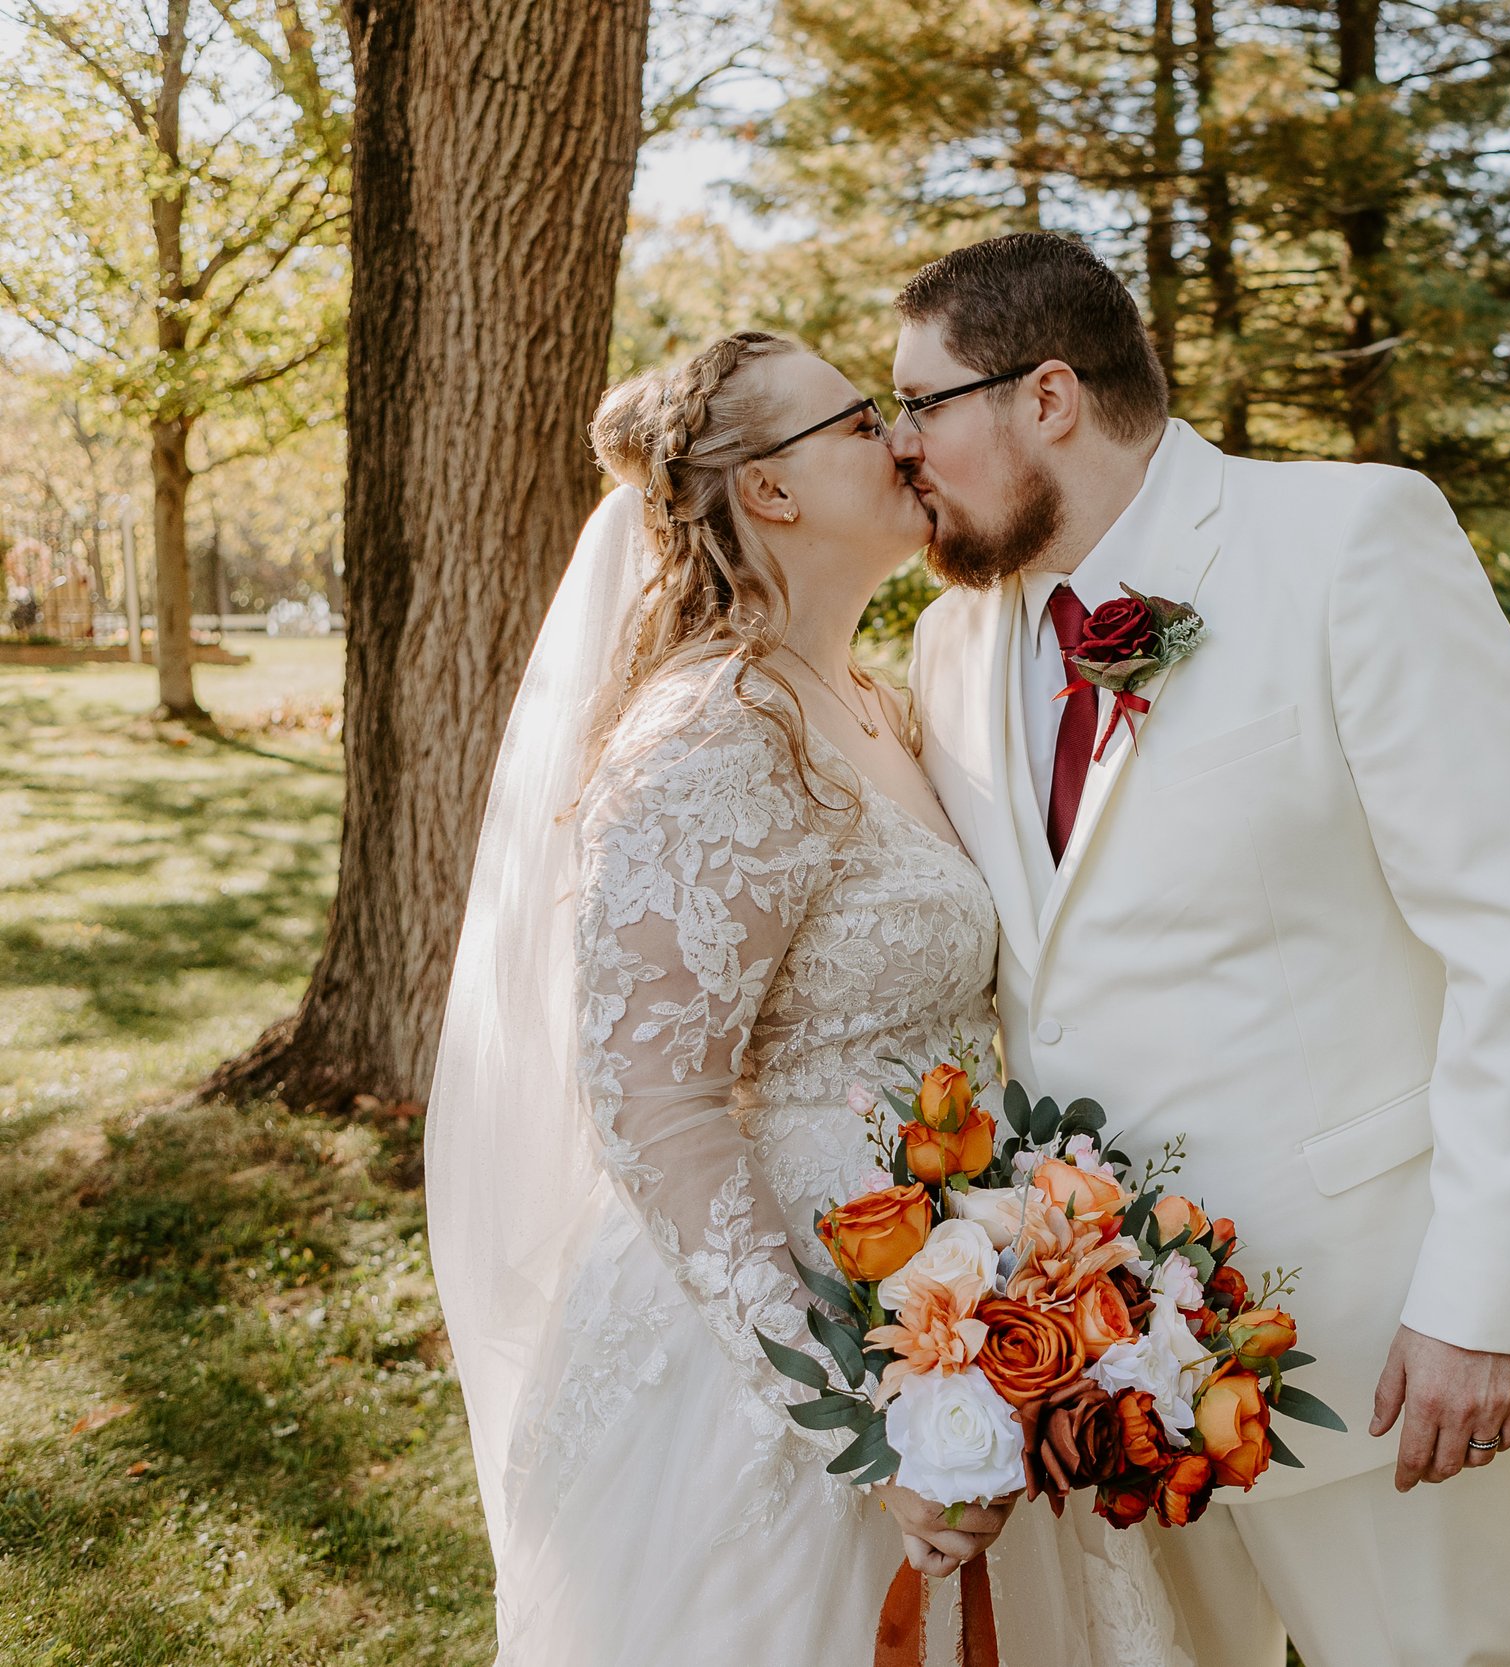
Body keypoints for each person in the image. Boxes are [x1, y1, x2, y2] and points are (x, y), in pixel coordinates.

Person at [425, 330, 1189, 1665]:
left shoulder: (866, 700)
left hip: (955, 1293)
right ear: (767, 493)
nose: (903, 439)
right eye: (855, 423)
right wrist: (855, 1413)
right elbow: (653, 1099)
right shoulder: (716, 734)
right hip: (793, 1347)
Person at [901, 233, 1510, 1667]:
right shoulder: (949, 644)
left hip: (1371, 1323)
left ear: (1048, 397)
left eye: (922, 406)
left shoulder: (1350, 541)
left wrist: (1485, 1295)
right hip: (1095, 1360)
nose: (898, 449)